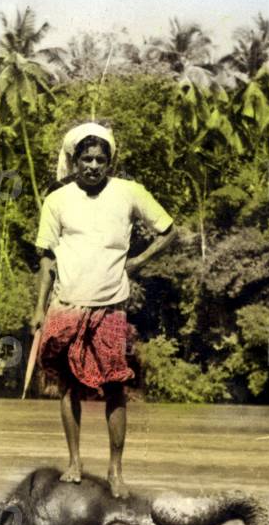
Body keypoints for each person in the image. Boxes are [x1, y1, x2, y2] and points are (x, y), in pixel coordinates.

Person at [31, 121, 177, 498]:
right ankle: (75, 462)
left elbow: (168, 231)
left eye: (101, 159)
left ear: (110, 162)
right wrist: (38, 308)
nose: (93, 166)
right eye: (86, 159)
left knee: (115, 388)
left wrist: (137, 263)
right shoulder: (57, 200)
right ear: (75, 161)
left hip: (111, 305)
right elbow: (46, 259)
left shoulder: (129, 193)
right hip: (66, 304)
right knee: (67, 387)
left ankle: (115, 471)